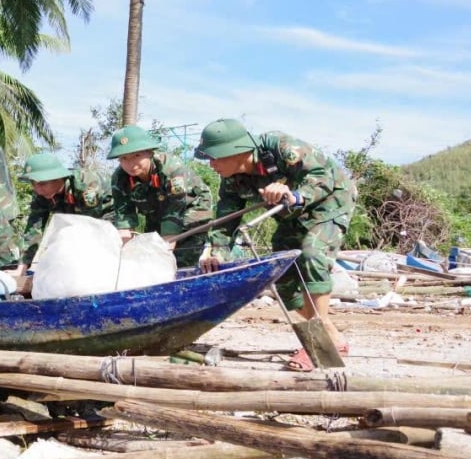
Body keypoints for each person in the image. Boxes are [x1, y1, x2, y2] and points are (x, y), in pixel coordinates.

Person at [194, 118, 356, 371]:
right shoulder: (232, 181)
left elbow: (321, 175)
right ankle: (330, 335)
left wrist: (297, 194)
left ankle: (318, 343)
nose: (211, 164)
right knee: (281, 274)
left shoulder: (280, 147)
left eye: (215, 158)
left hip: (328, 202)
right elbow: (227, 220)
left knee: (312, 254)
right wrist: (216, 252)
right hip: (290, 215)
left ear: (236, 151)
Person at [109, 125, 214, 267]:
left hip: (190, 209)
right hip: (156, 213)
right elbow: (124, 218)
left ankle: (215, 251)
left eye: (137, 155)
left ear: (150, 153)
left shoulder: (171, 170)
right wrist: (124, 256)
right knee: (148, 256)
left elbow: (174, 214)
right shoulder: (120, 178)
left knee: (180, 260)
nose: (131, 163)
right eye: (124, 158)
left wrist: (164, 255)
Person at [14, 153, 113, 275]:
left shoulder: (85, 185)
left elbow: (91, 226)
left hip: (108, 220)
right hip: (76, 223)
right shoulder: (41, 195)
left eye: (42, 184)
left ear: (59, 178)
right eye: (33, 184)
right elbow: (34, 229)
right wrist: (22, 267)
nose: (37, 190)